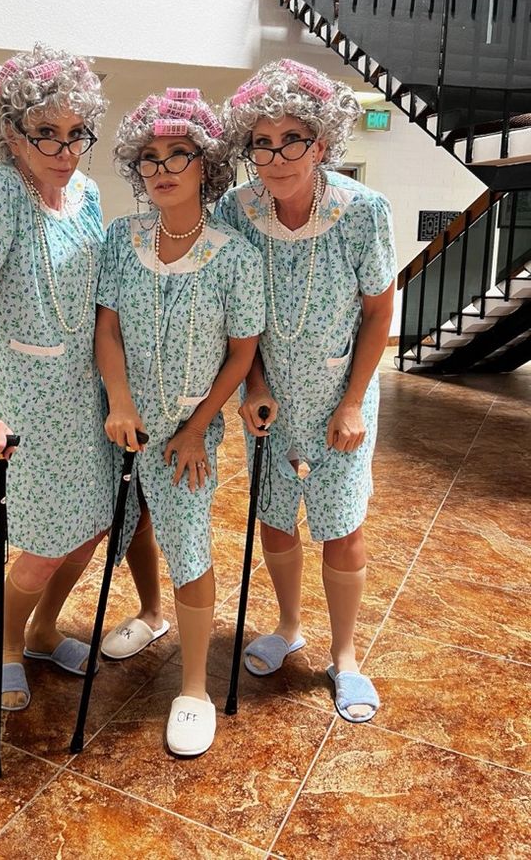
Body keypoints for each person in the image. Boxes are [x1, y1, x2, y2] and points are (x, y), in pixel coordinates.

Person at [217, 59, 396, 723]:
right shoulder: (236, 212)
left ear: (322, 143)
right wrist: (253, 385)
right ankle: (289, 624)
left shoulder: (362, 212)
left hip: (341, 398)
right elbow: (237, 317)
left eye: (293, 139)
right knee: (273, 515)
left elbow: (380, 310)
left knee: (343, 528)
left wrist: (353, 401)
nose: (275, 155)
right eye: (262, 142)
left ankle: (345, 655)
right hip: (267, 398)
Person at [95, 89, 265, 755]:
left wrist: (196, 426)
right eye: (149, 158)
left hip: (189, 433)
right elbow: (107, 329)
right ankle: (148, 612)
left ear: (207, 165)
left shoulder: (236, 257)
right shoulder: (121, 238)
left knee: (188, 545)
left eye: (178, 155)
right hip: (121, 420)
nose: (161, 168)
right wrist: (118, 399)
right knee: (132, 516)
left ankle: (193, 685)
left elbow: (243, 352)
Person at [0, 44, 114, 711]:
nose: (63, 149)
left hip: (86, 395)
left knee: (92, 525)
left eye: (76, 133)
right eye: (45, 131)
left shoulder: (91, 194)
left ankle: (45, 629)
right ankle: (8, 642)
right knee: (42, 543)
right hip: (24, 404)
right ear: (10, 131)